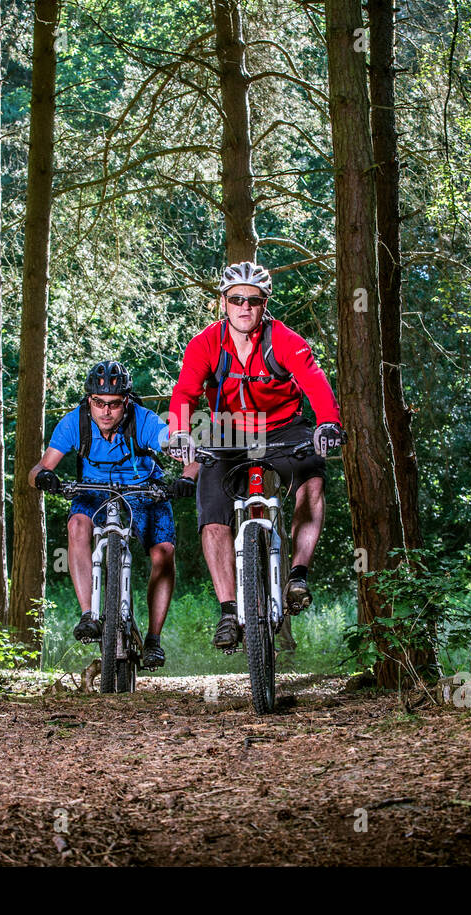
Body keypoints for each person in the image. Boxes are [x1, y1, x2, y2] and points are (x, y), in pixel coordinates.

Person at [166, 262, 344, 651]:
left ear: (265, 305)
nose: (244, 307)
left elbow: (315, 381)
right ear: (224, 303)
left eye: (254, 300)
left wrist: (328, 422)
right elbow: (184, 394)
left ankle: (297, 576)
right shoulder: (205, 344)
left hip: (284, 428)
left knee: (312, 479)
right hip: (226, 431)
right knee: (212, 517)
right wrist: (180, 431)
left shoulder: (286, 340)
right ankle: (230, 611)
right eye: (236, 299)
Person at [28, 360, 194, 668]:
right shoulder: (74, 423)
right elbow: (37, 468)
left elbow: (182, 446)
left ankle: (153, 640)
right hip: (93, 492)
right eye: (99, 403)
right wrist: (43, 477)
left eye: (114, 405)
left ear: (126, 402)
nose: (106, 411)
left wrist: (188, 475)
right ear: (89, 400)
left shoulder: (142, 421)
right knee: (77, 524)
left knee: (163, 552)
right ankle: (89, 615)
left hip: (143, 490)